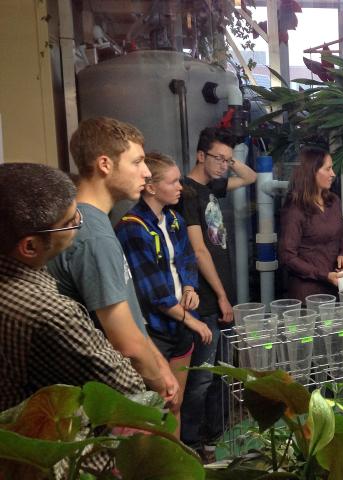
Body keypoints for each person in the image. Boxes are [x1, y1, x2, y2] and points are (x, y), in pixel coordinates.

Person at [48, 116, 180, 411]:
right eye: (137, 162)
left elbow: (131, 319)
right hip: (101, 399)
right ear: (105, 164)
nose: (147, 173)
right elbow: (127, 344)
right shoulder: (93, 236)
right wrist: (160, 389)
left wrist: (160, 363)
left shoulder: (94, 223)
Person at [0, 163, 145, 411]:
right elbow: (127, 387)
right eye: (70, 222)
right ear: (30, 247)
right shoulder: (51, 313)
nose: (80, 223)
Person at [115, 152, 212, 435]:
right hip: (155, 330)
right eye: (173, 182)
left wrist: (191, 287)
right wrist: (193, 320)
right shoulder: (132, 227)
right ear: (152, 187)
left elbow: (185, 259)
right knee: (154, 407)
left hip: (180, 325)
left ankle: (177, 457)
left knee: (176, 403)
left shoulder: (173, 219)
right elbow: (152, 291)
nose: (180, 187)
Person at [178, 126, 257, 461]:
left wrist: (229, 158)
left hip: (221, 296)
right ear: (200, 155)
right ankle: (192, 445)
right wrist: (223, 297)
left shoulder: (211, 187)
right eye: (218, 158)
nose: (225, 165)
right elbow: (199, 251)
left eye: (228, 159)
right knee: (201, 378)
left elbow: (251, 177)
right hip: (207, 300)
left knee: (222, 373)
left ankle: (214, 438)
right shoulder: (186, 193)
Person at [278, 147, 343, 303]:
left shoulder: (334, 201)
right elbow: (287, 256)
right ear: (313, 172)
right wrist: (323, 275)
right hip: (307, 294)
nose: (333, 174)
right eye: (328, 169)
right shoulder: (295, 209)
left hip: (334, 288)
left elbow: (340, 237)